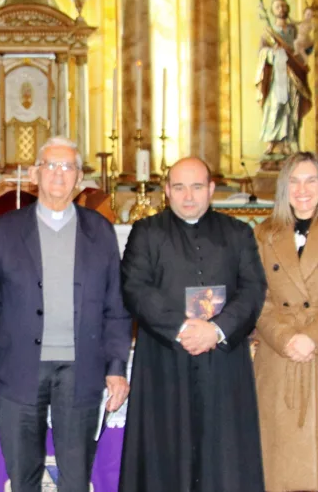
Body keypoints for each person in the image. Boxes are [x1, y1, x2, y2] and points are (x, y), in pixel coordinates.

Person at [0, 137, 129, 492]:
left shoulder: (100, 230)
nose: (59, 173)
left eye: (68, 166)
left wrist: (117, 368)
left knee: (75, 479)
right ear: (35, 174)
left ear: (79, 178)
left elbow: (115, 306)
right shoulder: (6, 229)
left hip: (81, 369)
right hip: (21, 367)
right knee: (23, 476)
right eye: (51, 165)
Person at [119, 156, 266, 492]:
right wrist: (182, 328)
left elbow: (253, 290)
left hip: (223, 361)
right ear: (167, 190)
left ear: (211, 189)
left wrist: (216, 329)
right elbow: (134, 287)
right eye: (180, 187)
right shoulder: (146, 232)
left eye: (197, 187)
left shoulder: (238, 233)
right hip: (165, 361)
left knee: (224, 456)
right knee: (165, 455)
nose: (188, 196)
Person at [253, 152, 318, 492]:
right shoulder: (263, 235)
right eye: (294, 181)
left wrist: (314, 337)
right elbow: (255, 297)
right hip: (279, 357)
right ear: (283, 188)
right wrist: (285, 338)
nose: (302, 189)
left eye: (311, 180)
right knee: (280, 464)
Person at [255, 0, 312, 158]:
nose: (281, 9)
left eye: (283, 6)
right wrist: (272, 52)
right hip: (276, 78)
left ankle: (288, 142)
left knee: (290, 108)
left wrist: (304, 49)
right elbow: (261, 52)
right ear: (273, 11)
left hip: (293, 77)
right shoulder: (268, 32)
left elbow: (305, 48)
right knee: (275, 107)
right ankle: (272, 142)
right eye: (277, 7)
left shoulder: (294, 30)